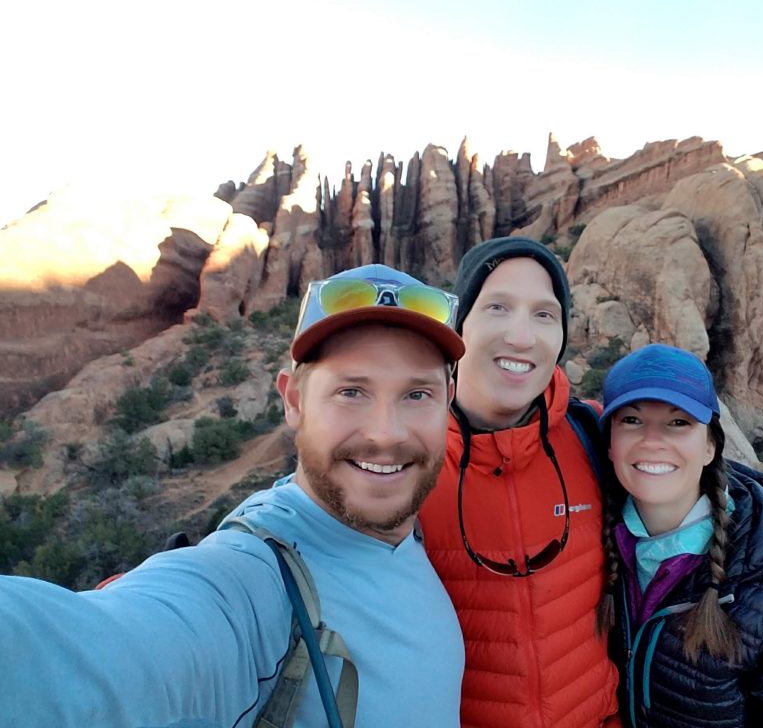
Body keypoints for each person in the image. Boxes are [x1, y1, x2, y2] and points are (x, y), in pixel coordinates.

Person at [0, 264, 467, 728]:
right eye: (351, 391)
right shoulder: (255, 575)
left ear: (448, 400)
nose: (386, 434)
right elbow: (104, 653)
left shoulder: (413, 524)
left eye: (417, 394)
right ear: (294, 401)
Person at [418, 236, 620, 727]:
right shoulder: (403, 457)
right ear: (459, 325)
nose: (522, 337)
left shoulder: (596, 435)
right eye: (497, 307)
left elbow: (707, 500)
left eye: (544, 315)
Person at [598, 343, 763, 728]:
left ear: (711, 446)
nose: (652, 440)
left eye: (678, 422)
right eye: (631, 420)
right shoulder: (594, 554)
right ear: (610, 445)